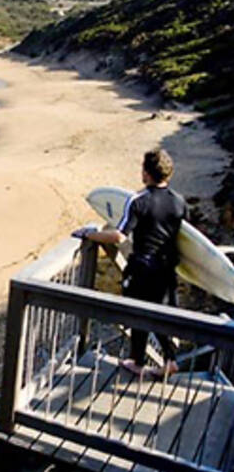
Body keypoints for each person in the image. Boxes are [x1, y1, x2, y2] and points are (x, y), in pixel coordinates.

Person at [73, 148, 188, 378]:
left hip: (142, 269)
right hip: (166, 270)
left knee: (137, 313)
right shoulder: (179, 202)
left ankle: (137, 361)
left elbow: (119, 236)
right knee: (161, 313)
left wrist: (90, 234)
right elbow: (187, 238)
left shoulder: (138, 201)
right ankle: (170, 360)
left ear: (146, 173)